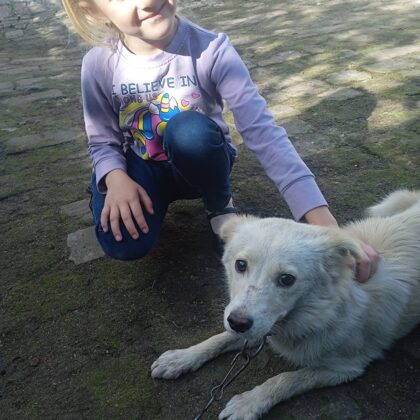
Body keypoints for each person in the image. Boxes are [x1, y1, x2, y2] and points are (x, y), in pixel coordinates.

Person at [61, 0, 377, 280]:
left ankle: (218, 202)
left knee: (189, 131)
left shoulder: (212, 49)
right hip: (142, 169)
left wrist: (322, 221)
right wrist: (114, 178)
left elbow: (263, 132)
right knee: (122, 243)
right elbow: (102, 140)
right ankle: (106, 188)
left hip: (200, 160)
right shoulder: (98, 64)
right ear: (93, 10)